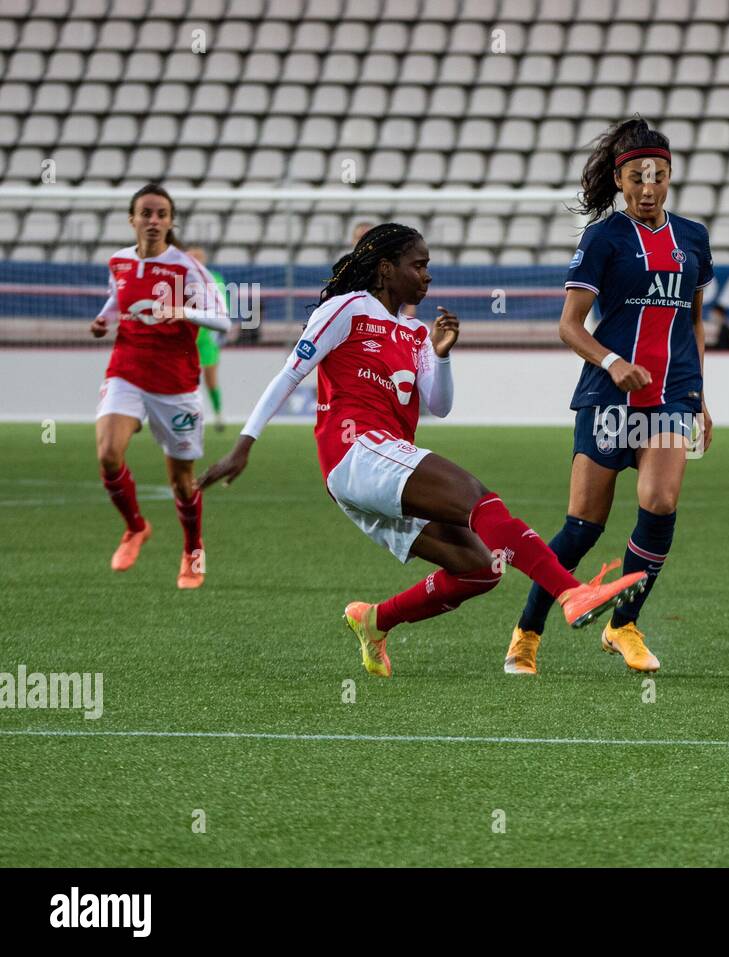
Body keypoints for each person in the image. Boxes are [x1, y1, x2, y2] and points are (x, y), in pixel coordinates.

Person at [198, 223, 647, 678]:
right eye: (419, 265)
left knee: (481, 567)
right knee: (480, 500)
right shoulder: (347, 308)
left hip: (381, 464)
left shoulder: (414, 333)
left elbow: (439, 405)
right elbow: (289, 374)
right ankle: (571, 593)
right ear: (386, 269)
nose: (427, 275)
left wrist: (442, 354)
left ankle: (375, 620)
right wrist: (243, 444)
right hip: (355, 453)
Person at [504, 116, 714, 676]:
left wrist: (698, 395)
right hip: (607, 397)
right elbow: (570, 325)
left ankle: (624, 624)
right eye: (638, 177)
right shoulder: (603, 238)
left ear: (671, 178)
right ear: (620, 181)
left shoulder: (694, 238)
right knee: (583, 527)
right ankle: (527, 631)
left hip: (668, 398)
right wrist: (615, 363)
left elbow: (693, 322)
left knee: (661, 503)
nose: (649, 188)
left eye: (660, 176)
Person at [90, 183, 230, 588]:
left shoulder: (187, 267)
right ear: (132, 219)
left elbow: (224, 320)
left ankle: (192, 549)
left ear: (170, 222)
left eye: (162, 214)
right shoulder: (117, 261)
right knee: (108, 454)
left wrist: (182, 310)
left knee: (182, 482)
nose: (153, 221)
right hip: (127, 370)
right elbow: (117, 299)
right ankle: (135, 527)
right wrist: (103, 320)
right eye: (146, 213)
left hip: (176, 383)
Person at [185, 245, 228, 431]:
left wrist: (219, 331)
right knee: (186, 379)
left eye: (198, 256)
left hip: (207, 337)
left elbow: (222, 306)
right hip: (186, 337)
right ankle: (189, 415)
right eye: (191, 256)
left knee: (211, 378)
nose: (195, 259)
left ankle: (218, 414)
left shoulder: (214, 279)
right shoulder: (180, 279)